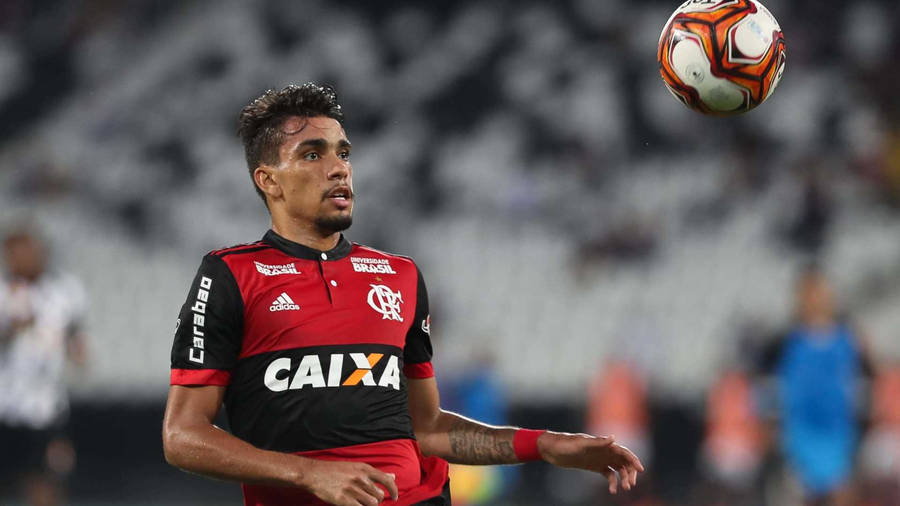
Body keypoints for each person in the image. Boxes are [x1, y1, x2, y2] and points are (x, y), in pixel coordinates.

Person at [161, 83, 644, 506]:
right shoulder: (230, 275)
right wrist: (308, 473)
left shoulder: (399, 275)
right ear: (268, 180)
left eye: (343, 153)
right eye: (313, 154)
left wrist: (543, 444)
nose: (338, 169)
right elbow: (182, 437)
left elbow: (427, 428)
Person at [769, 266, 875, 506]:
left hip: (838, 443)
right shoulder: (785, 343)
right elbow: (772, 393)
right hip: (799, 447)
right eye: (808, 295)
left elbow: (869, 385)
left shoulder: (848, 339)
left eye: (819, 294)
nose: (814, 300)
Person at [0, 228, 87, 506]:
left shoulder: (66, 290)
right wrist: (11, 328)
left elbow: (75, 334)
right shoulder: (3, 292)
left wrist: (77, 351)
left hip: (46, 407)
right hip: (5, 403)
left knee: (45, 479)